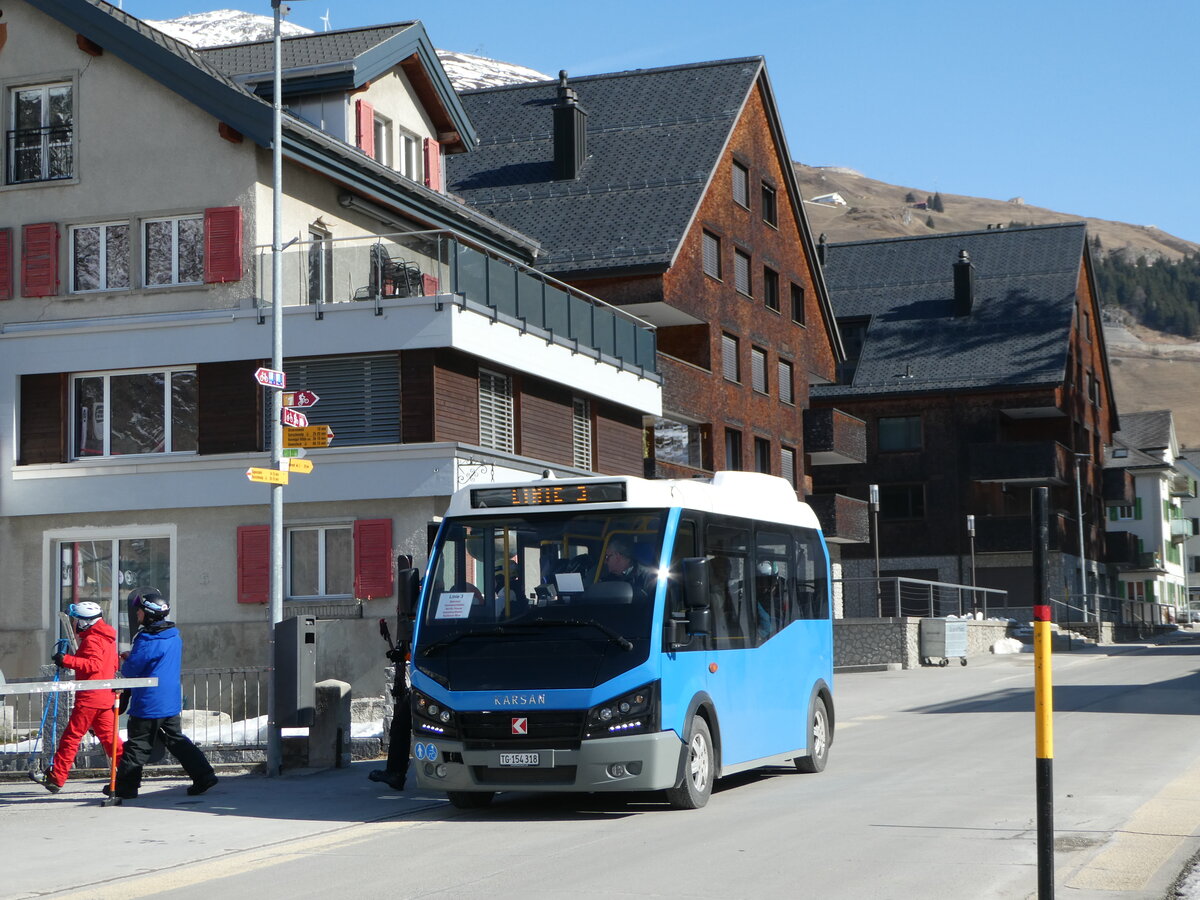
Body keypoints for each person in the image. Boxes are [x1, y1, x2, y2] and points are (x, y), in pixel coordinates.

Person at [112, 588, 217, 800]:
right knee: (176, 740)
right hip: (169, 700)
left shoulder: (148, 639)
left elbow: (132, 670)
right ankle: (204, 775)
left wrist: (127, 659)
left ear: (149, 614)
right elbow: (154, 662)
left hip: (149, 701)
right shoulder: (173, 636)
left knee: (137, 744)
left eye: (140, 611)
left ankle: (126, 788)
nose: (137, 615)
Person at [37, 602, 123, 793]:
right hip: (103, 696)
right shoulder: (108, 638)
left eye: (77, 620)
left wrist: (65, 660)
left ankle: (56, 777)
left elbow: (93, 665)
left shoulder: (93, 639)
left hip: (90, 697)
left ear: (85, 622)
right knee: (111, 740)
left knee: (71, 737)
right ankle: (129, 773)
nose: (75, 624)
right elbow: (112, 665)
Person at [600, 537, 656, 602]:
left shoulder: (648, 577)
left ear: (617, 556)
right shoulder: (606, 579)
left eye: (607, 557)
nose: (605, 562)